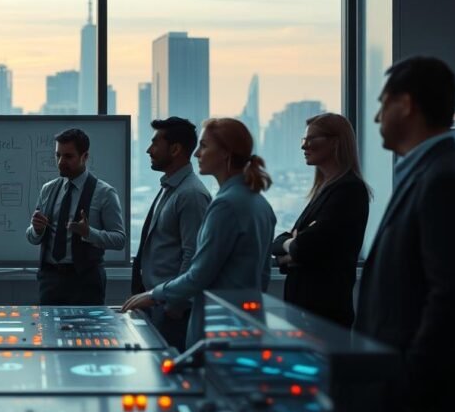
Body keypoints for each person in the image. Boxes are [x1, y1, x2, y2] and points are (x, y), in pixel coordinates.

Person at [352, 56, 455, 412]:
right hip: (398, 405)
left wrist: (406, 388)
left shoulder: (443, 179)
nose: (376, 116)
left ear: (406, 104)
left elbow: (449, 301)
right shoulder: (427, 172)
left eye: (383, 103)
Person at [122, 118, 276, 349]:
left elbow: (199, 272)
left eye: (204, 146)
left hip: (217, 325)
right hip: (242, 321)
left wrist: (156, 294)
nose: (196, 154)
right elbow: (263, 276)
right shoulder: (259, 202)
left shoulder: (225, 204)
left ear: (225, 153)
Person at [271, 113, 370, 327]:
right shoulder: (325, 189)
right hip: (306, 311)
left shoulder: (349, 190)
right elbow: (279, 243)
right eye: (303, 140)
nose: (303, 147)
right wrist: (292, 246)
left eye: (311, 139)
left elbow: (306, 247)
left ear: (335, 142)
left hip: (323, 314)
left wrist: (294, 247)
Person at [131, 117, 211, 351]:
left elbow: (193, 254)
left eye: (155, 143)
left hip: (171, 311)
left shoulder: (191, 194)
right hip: (158, 305)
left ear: (175, 149)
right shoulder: (172, 188)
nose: (148, 150)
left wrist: (174, 304)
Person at [27, 128, 125, 305]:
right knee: (49, 331)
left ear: (85, 156)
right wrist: (36, 229)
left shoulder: (104, 193)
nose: (60, 162)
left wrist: (89, 233)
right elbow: (33, 237)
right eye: (58, 155)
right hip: (50, 279)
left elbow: (119, 239)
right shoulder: (48, 190)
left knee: (87, 332)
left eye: (68, 156)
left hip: (86, 282)